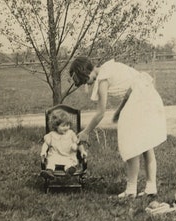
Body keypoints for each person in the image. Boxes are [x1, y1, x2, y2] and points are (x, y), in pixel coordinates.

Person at [70, 57, 167, 198]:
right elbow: (129, 91)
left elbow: (100, 113)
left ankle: (131, 190)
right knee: (146, 144)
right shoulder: (108, 68)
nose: (88, 84)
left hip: (141, 99)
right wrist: (119, 112)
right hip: (147, 97)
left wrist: (86, 132)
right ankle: (151, 187)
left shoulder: (102, 78)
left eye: (85, 80)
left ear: (85, 72)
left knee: (131, 144)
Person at [40, 109, 87, 179]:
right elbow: (46, 144)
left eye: (68, 125)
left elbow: (78, 143)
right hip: (55, 155)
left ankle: (69, 171)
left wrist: (82, 151)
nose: (66, 127)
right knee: (51, 162)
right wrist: (43, 151)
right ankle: (49, 172)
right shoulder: (51, 135)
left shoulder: (71, 134)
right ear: (55, 126)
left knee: (68, 163)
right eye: (63, 126)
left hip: (68, 155)